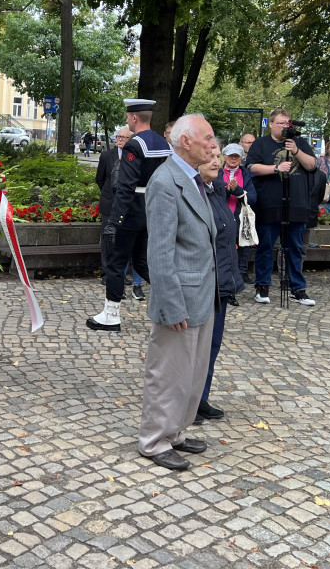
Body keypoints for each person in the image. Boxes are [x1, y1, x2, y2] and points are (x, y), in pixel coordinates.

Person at [136, 114, 218, 471]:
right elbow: (159, 251)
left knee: (192, 372)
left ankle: (176, 432)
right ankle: (154, 440)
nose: (213, 144)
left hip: (201, 293)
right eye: (208, 138)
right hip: (179, 298)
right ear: (186, 141)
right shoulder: (166, 182)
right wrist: (170, 303)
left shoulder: (193, 179)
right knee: (168, 372)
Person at [88, 99, 171, 332]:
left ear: (135, 118)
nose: (127, 120)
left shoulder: (135, 146)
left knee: (116, 263)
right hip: (154, 209)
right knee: (144, 263)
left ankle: (111, 315)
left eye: (127, 117)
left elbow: (125, 186)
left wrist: (115, 220)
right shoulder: (164, 143)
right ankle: (174, 301)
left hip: (132, 211)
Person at [245, 108, 317, 306]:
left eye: (288, 123)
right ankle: (262, 287)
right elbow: (251, 167)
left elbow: (312, 165)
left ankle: (297, 289)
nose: (286, 126)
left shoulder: (300, 143)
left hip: (296, 205)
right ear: (271, 124)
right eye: (281, 123)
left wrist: (296, 151)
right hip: (269, 204)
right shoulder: (261, 143)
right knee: (266, 247)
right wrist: (275, 169)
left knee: (294, 248)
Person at [193, 145, 241, 425]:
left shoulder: (218, 190)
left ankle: (200, 399)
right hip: (202, 283)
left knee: (212, 344)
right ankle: (188, 400)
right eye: (209, 157)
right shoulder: (195, 192)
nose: (216, 161)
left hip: (221, 281)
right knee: (196, 346)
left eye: (217, 157)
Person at [96, 127, 143, 295]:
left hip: (128, 206)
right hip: (110, 204)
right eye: (119, 137)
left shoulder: (135, 157)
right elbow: (99, 179)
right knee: (108, 239)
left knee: (124, 240)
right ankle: (106, 273)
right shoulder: (107, 156)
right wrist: (110, 195)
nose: (120, 140)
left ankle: (121, 274)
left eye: (124, 137)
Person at [220, 142, 257, 285]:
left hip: (241, 213)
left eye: (236, 156)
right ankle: (224, 272)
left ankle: (242, 272)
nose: (233, 159)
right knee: (222, 244)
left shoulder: (247, 174)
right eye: (230, 156)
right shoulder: (217, 173)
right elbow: (212, 194)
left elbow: (253, 198)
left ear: (241, 158)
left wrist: (237, 190)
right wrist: (228, 190)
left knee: (244, 245)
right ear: (225, 157)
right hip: (222, 214)